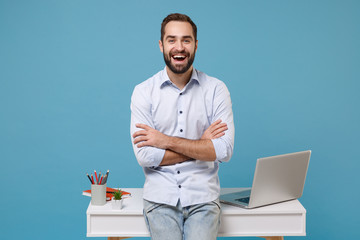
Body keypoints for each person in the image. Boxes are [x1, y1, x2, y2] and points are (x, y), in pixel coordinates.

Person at [130, 13, 235, 240]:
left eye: (186, 40)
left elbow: (224, 151)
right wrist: (202, 147)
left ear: (196, 45)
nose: (179, 47)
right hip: (160, 200)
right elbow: (145, 156)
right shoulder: (143, 92)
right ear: (161, 45)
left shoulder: (216, 89)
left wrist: (165, 141)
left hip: (203, 199)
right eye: (172, 40)